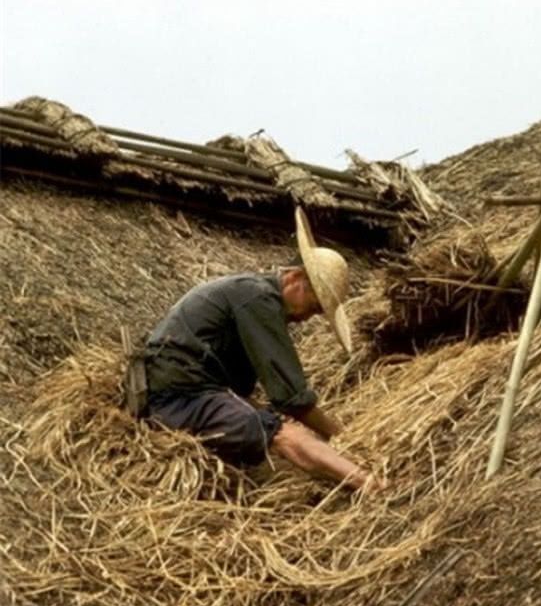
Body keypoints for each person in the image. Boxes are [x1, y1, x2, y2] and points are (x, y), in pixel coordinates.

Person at [144, 206, 376, 491]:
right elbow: (293, 399)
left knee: (271, 423)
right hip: (180, 398)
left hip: (183, 390)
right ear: (294, 278)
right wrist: (344, 435)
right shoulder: (258, 298)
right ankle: (372, 484)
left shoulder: (251, 292)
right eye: (314, 307)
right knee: (283, 433)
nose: (308, 318)